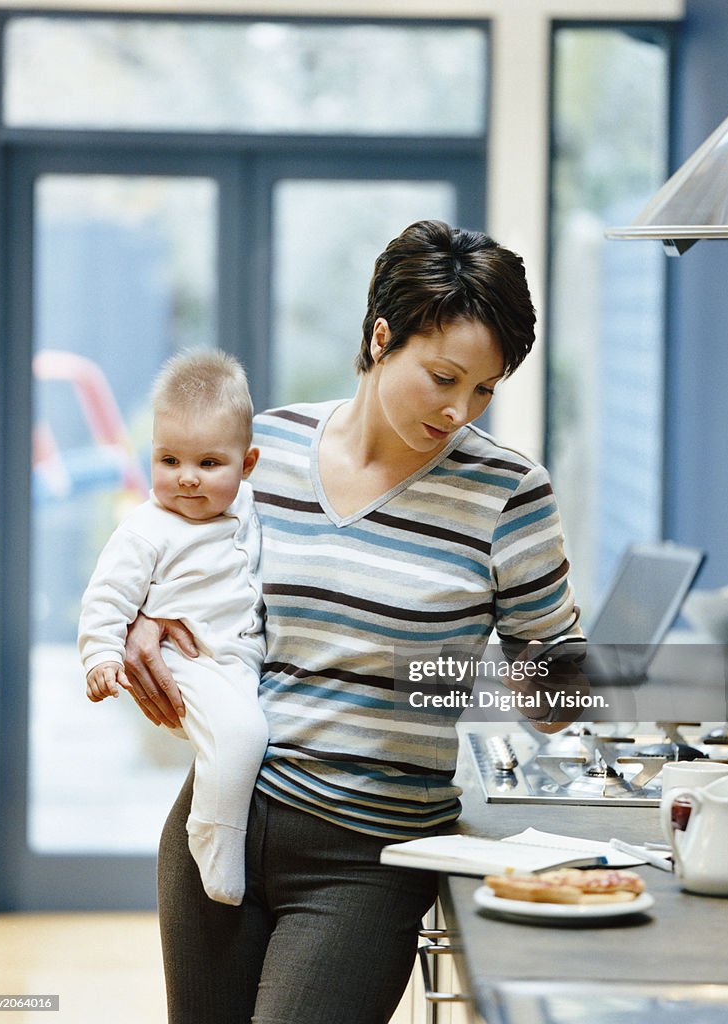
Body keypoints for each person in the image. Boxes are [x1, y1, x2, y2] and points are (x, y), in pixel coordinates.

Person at [123, 220, 583, 1024]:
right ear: (381, 337)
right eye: (442, 377)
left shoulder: (508, 493)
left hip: (368, 859)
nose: (458, 410)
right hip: (219, 817)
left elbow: (559, 681)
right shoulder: (265, 445)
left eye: (482, 390)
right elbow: (169, 563)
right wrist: (143, 623)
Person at [78, 349, 267, 907]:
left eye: (209, 464)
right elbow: (107, 595)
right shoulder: (147, 528)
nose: (186, 479)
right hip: (190, 662)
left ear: (247, 464)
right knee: (242, 736)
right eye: (168, 460)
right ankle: (213, 838)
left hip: (239, 660)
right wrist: (100, 657)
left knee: (243, 733)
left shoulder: (252, 507)